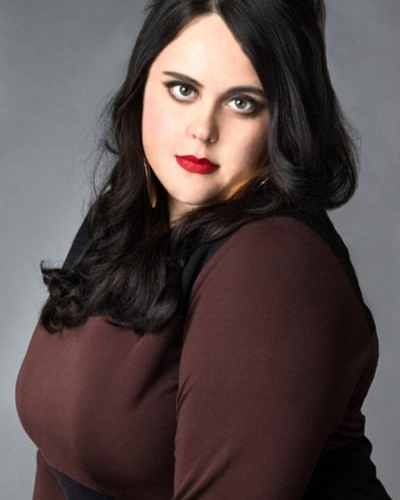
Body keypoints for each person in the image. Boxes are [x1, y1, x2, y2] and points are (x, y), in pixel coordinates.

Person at [15, 0, 393, 499]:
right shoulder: (125, 214)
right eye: (183, 89)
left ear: (283, 118)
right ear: (142, 84)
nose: (203, 129)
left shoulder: (272, 262)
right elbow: (58, 454)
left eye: (242, 103)